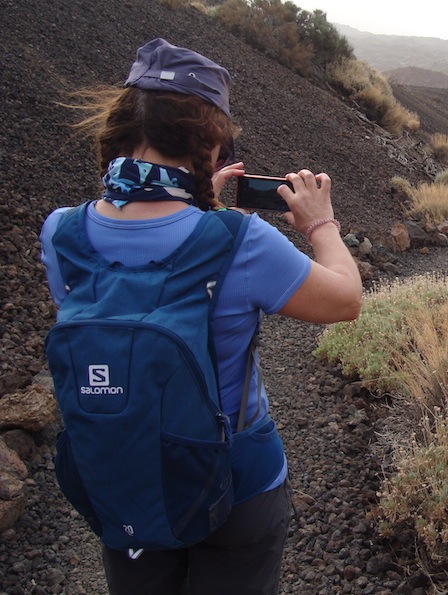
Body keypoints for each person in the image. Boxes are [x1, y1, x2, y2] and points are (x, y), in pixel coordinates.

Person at [39, 38, 363, 594]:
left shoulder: (62, 232)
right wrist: (320, 225)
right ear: (211, 141)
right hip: (237, 481)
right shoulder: (240, 239)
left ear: (119, 129)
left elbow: (124, 280)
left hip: (123, 472)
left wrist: (197, 205)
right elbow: (345, 301)